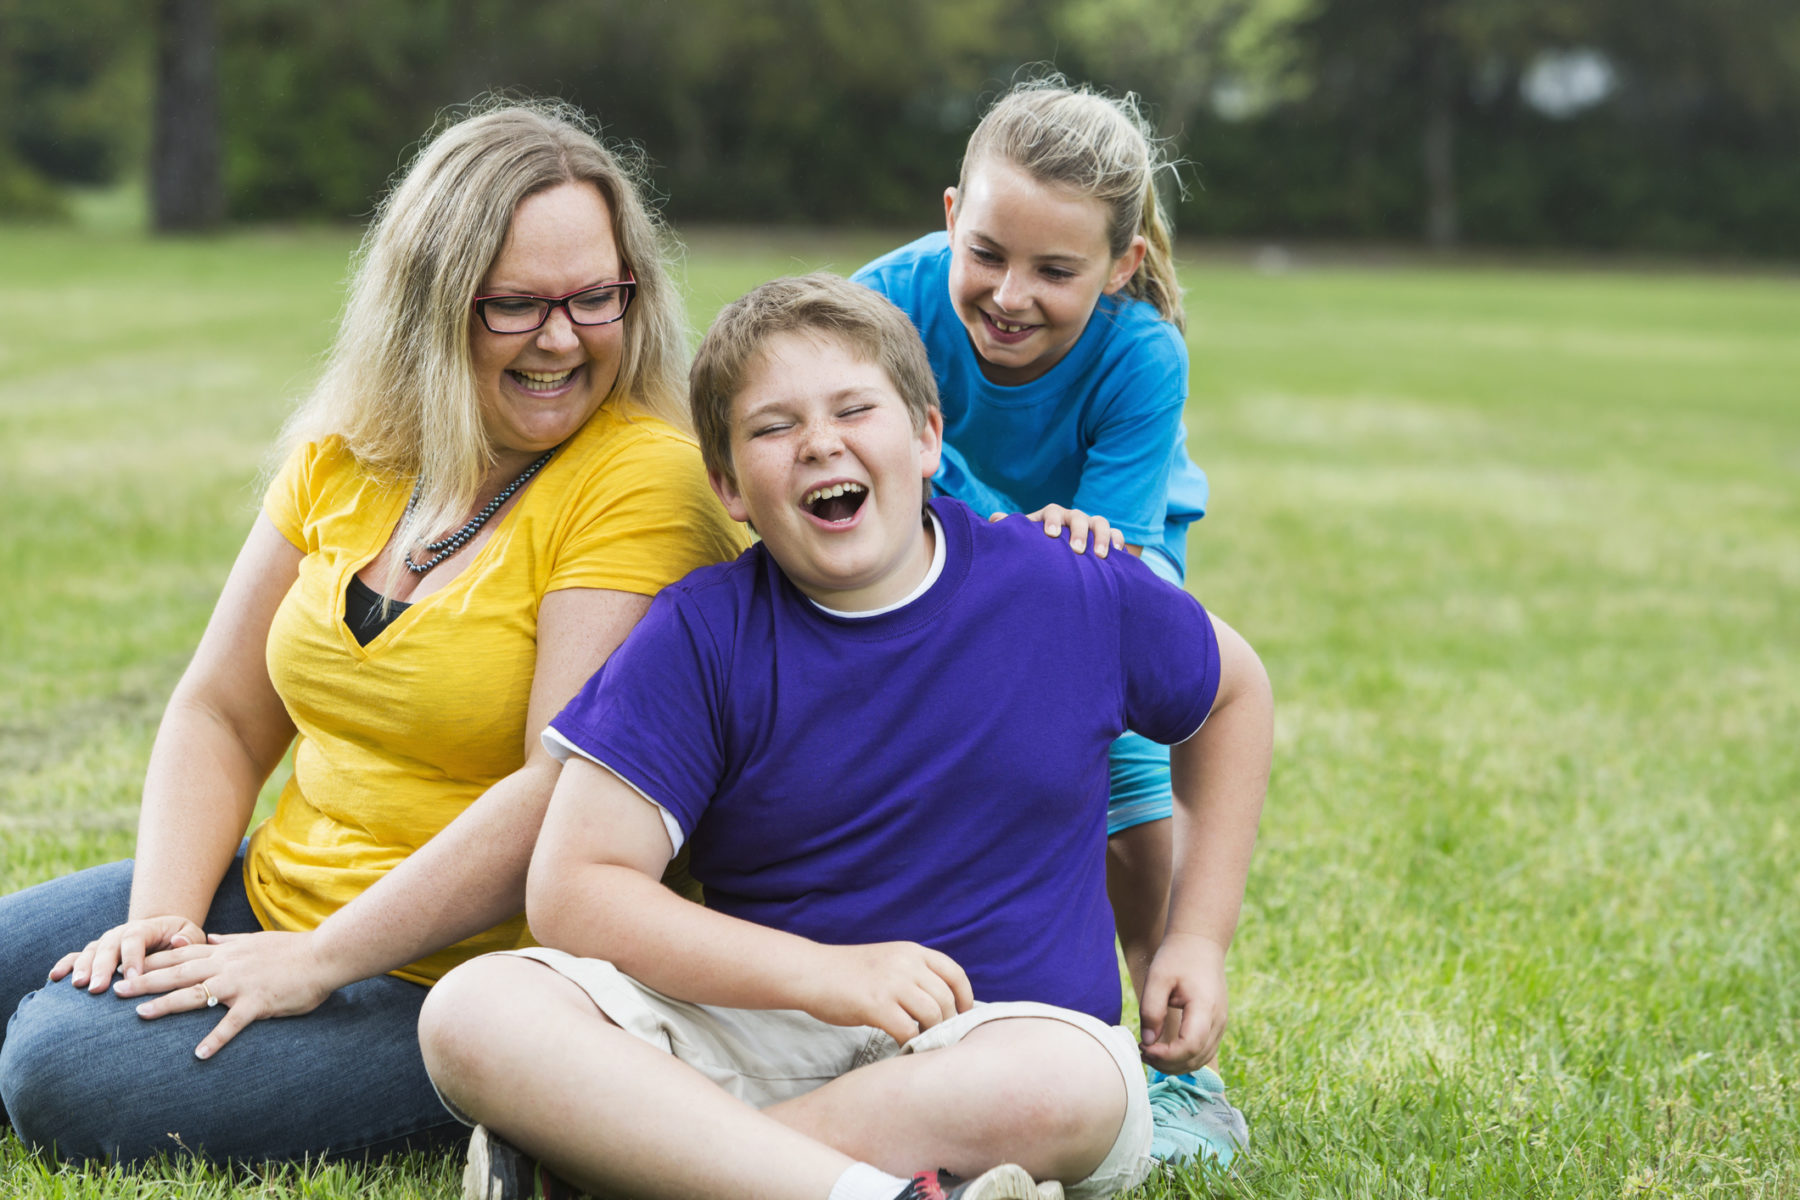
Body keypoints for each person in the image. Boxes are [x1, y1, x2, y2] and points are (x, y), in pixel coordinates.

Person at [0, 99, 748, 1166]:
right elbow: (219, 710)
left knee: (59, 1068)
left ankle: (533, 1106)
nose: (562, 338)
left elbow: (558, 790)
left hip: (465, 978)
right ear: (433, 303)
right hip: (275, 887)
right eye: (516, 306)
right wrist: (164, 919)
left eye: (597, 298)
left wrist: (312, 962)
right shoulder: (354, 451)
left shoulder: (642, 478)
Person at [417, 273, 1271, 1200]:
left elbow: (1235, 696)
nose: (820, 442)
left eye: (854, 409)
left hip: (989, 1045)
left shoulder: (1068, 587)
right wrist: (826, 978)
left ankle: (654, 1169)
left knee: (1077, 1082)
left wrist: (1197, 938)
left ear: (927, 438)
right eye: (773, 427)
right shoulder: (702, 633)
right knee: (476, 1010)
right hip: (756, 1031)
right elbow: (576, 888)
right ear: (730, 487)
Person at [851, 77, 1238, 1165]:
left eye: (1056, 271)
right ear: (948, 218)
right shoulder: (882, 306)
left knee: (1117, 763)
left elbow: (1099, 580)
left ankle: (1180, 1063)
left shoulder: (1139, 354)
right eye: (986, 253)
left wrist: (953, 494)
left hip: (1099, 576)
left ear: (1120, 268)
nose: (1010, 295)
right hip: (929, 562)